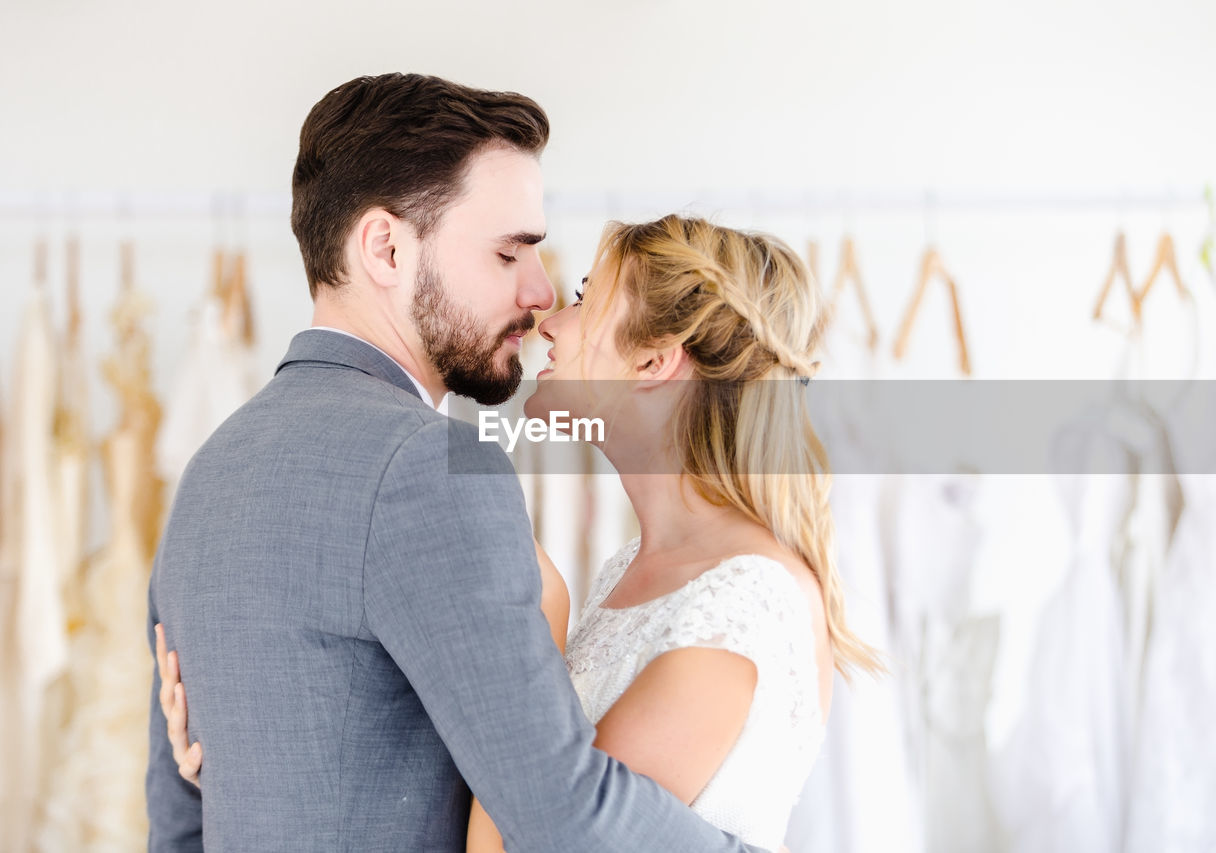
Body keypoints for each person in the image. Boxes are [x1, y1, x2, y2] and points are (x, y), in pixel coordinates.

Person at [145, 73, 769, 852]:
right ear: (387, 248)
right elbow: (556, 812)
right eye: (510, 252)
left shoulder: (211, 471)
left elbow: (178, 826)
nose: (541, 294)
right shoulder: (425, 469)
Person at [156, 214, 882, 851]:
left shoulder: (740, 601)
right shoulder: (635, 566)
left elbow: (544, 824)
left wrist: (543, 613)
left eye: (584, 299)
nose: (549, 321)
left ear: (656, 361)